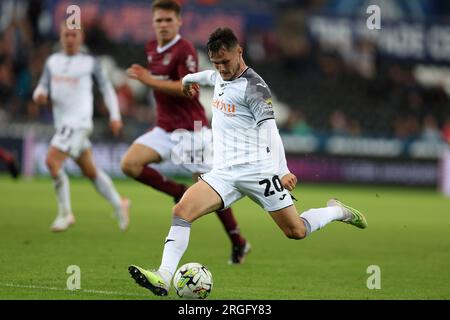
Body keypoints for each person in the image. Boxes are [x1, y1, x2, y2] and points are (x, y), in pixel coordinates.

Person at [128, 27, 368, 296]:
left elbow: (271, 131)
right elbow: (209, 76)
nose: (221, 68)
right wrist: (188, 80)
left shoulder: (255, 88)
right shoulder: (219, 74)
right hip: (224, 172)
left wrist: (283, 170)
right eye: (216, 62)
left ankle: (337, 210)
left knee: (296, 231)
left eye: (225, 62)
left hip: (259, 172)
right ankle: (163, 276)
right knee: (182, 211)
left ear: (239, 52)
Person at [120, 0, 250, 264]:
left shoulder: (185, 49)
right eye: (159, 20)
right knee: (129, 164)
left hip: (191, 130)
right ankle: (177, 191)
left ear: (179, 21)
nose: (164, 25)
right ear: (153, 22)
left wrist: (149, 81)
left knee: (211, 188)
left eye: (169, 20)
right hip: (165, 128)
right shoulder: (151, 48)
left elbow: (186, 86)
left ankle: (238, 241)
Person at [32, 22, 130, 232]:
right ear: (60, 36)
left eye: (73, 35)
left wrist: (115, 116)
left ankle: (65, 213)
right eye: (66, 34)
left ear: (81, 38)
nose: (69, 38)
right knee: (90, 171)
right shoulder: (53, 61)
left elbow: (107, 89)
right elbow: (41, 87)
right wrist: (39, 95)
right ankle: (119, 203)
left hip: (79, 123)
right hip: (63, 125)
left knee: (52, 161)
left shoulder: (89, 62)